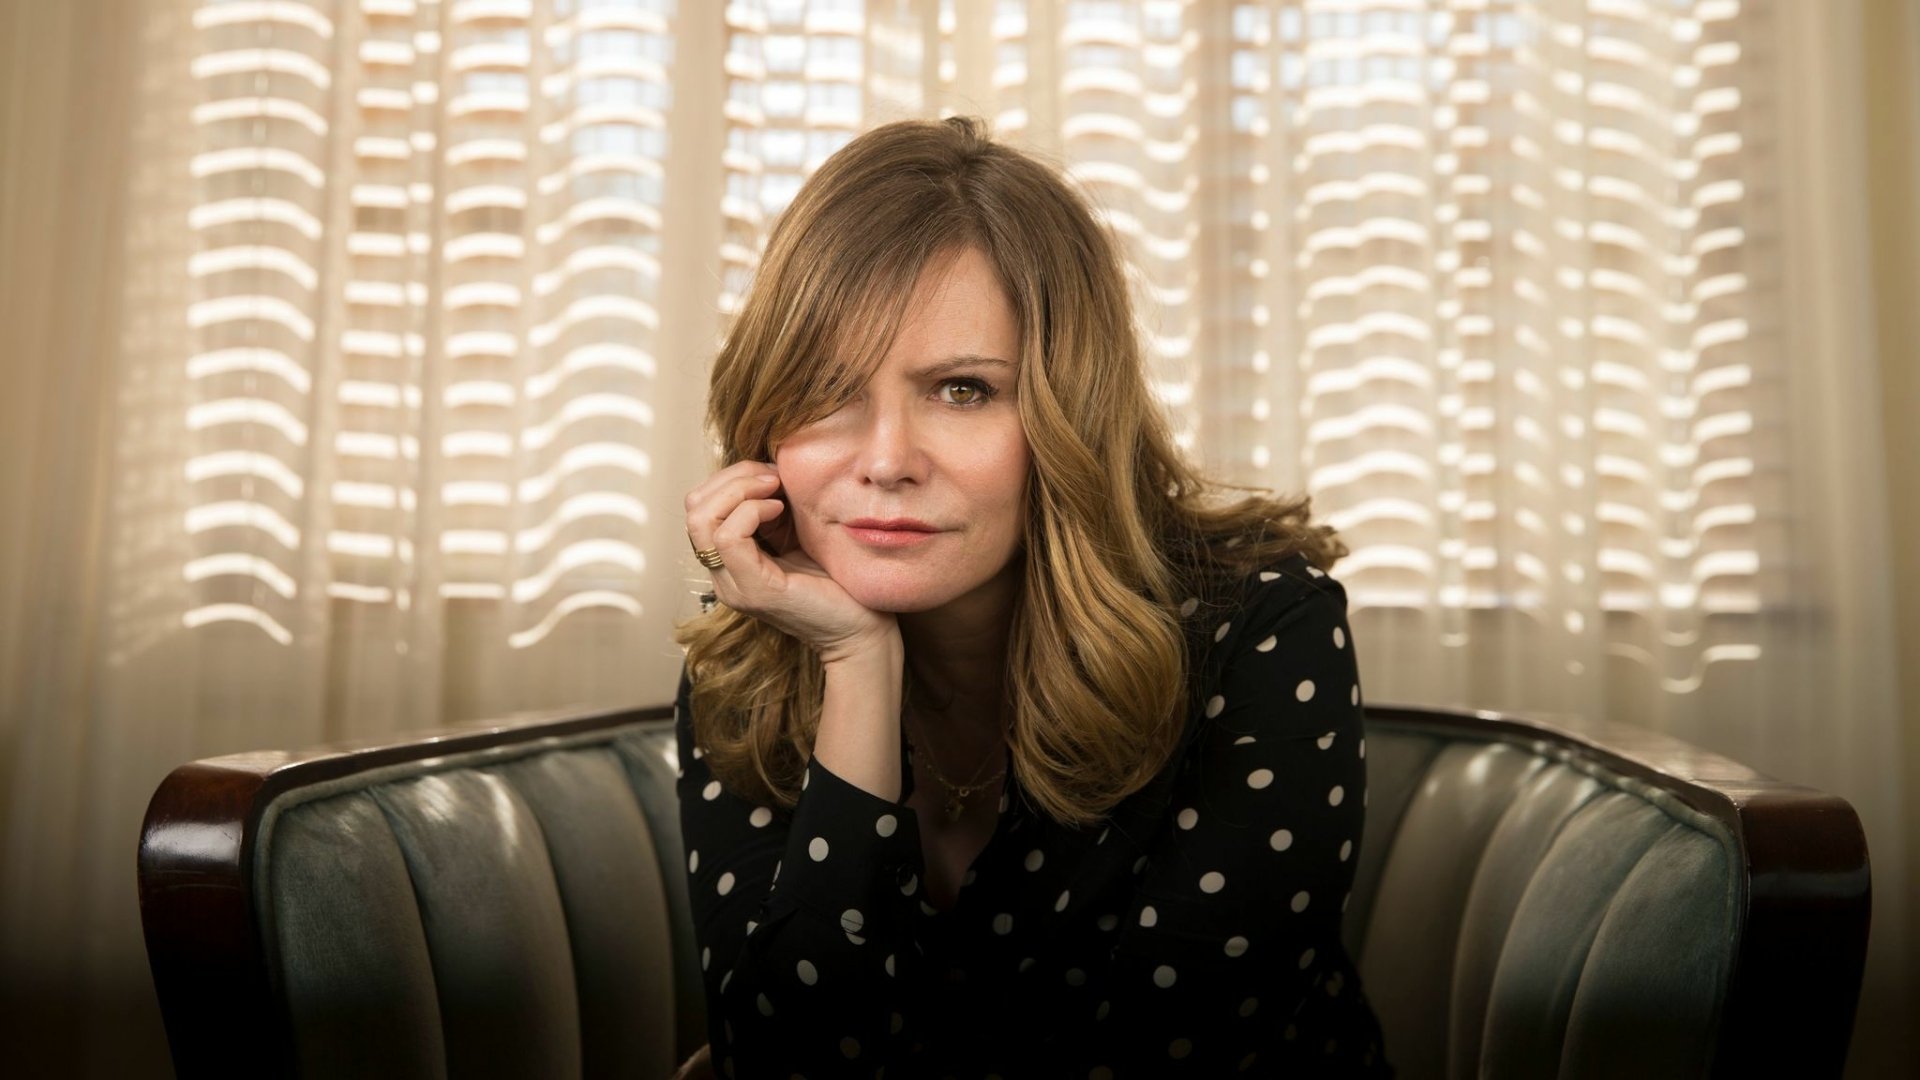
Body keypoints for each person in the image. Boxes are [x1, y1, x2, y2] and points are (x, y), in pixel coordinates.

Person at [672, 116, 1391, 1079]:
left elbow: (1175, 1056)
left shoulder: (1262, 631)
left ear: (1069, 413)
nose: (885, 461)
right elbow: (791, 1062)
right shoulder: (749, 659)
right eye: (826, 388)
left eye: (962, 390)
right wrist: (857, 662)